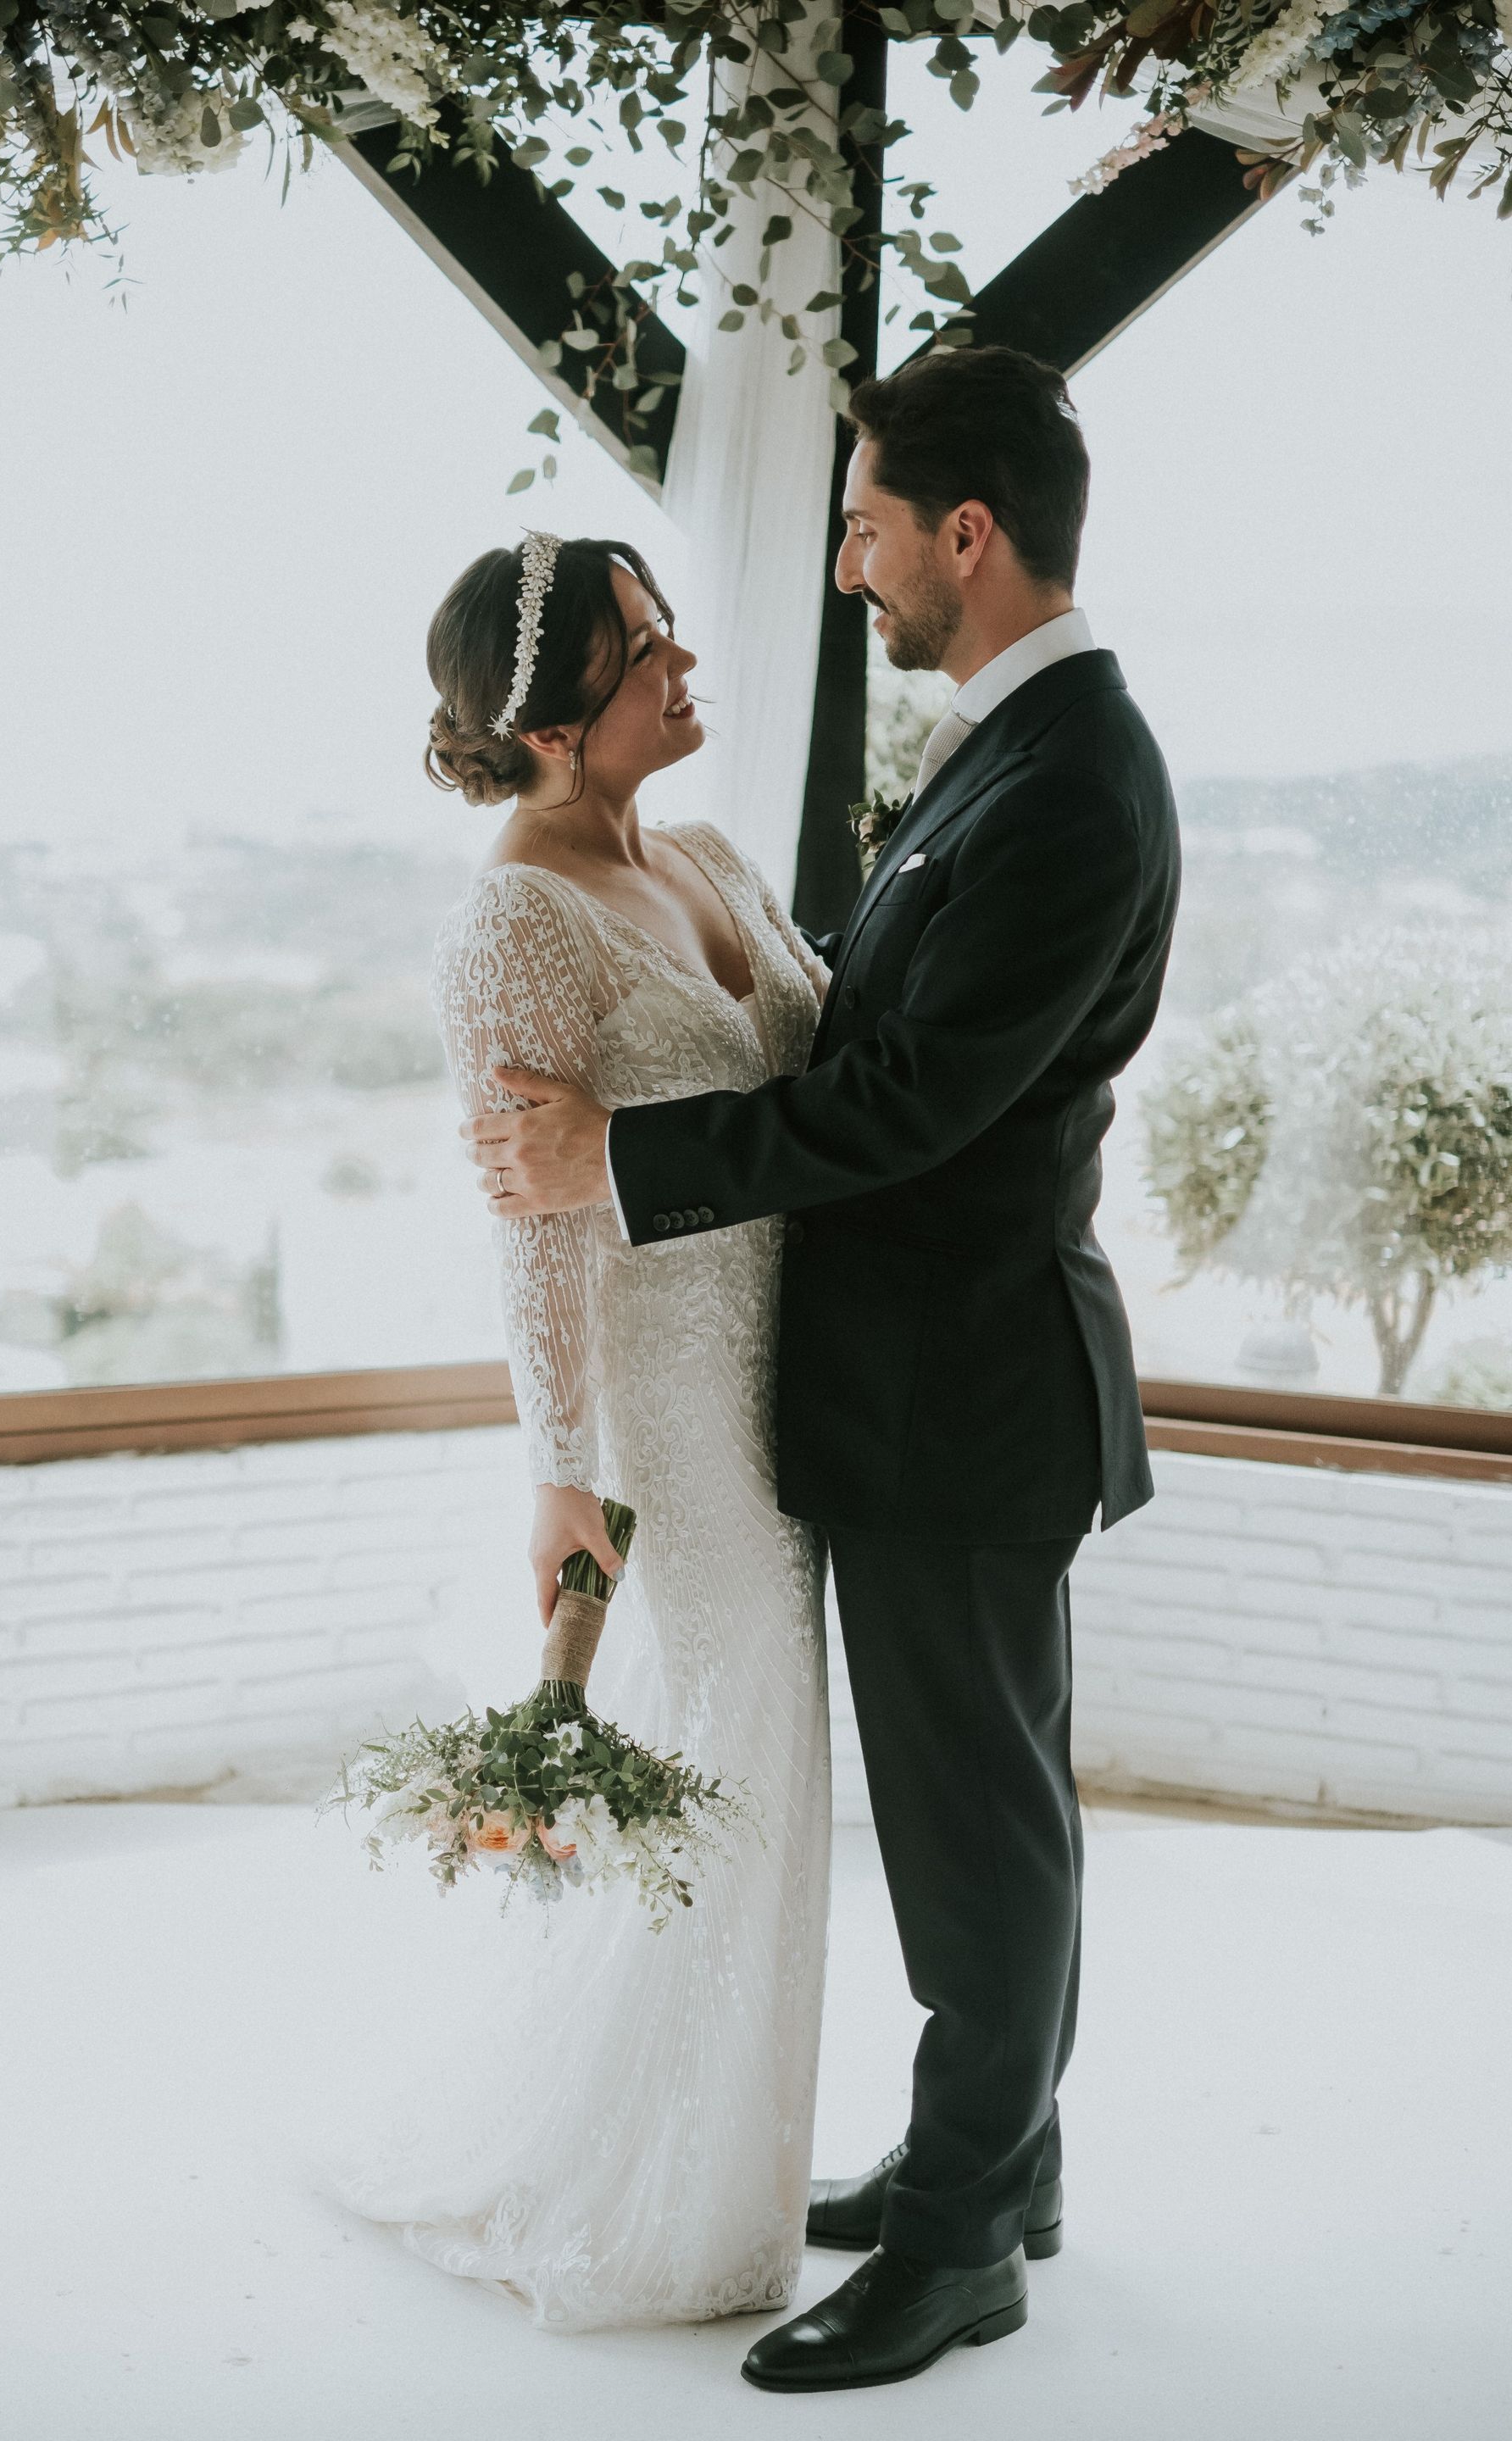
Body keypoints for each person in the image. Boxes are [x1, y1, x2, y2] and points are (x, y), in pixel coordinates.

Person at [464, 346, 1182, 2393]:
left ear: (967, 531)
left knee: (977, 1830)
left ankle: (963, 2243)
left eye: (863, 527)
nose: (849, 567)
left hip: (967, 1385)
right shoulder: (1012, 745)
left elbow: (910, 1106)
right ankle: (1002, 2160)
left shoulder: (1071, 781)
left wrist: (619, 1154)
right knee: (997, 1797)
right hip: (924, 1380)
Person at [347, 532, 832, 2332]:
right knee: (722, 1749)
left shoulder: (704, 854)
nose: (682, 661)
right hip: (667, 1414)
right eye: (642, 649)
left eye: (669, 629)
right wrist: (559, 1465)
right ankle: (647, 2189)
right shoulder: (512, 924)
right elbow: (532, 1221)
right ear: (550, 723)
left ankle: (743, 2158)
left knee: (780, 1759)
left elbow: (830, 1068)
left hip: (796, 1386)